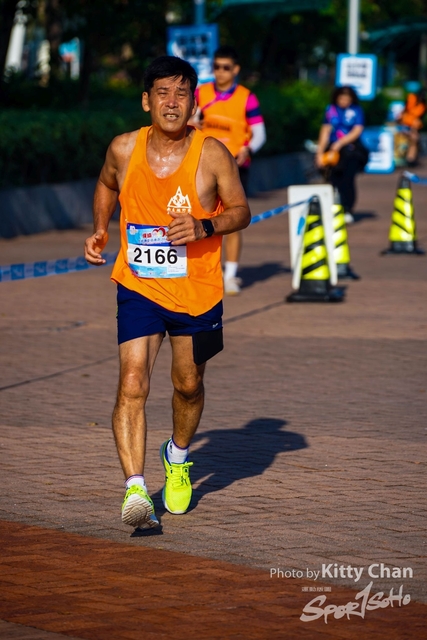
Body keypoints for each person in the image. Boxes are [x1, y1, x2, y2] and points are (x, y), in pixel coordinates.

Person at [84, 56, 250, 530]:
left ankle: (176, 456)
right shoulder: (124, 148)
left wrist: (203, 226)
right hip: (138, 284)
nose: (172, 102)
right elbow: (106, 183)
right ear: (146, 100)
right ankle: (136, 489)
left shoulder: (212, 154)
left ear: (194, 103)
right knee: (133, 381)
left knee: (188, 384)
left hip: (197, 290)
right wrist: (100, 228)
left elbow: (241, 211)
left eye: (181, 93)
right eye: (162, 92)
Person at [190, 45, 266, 295]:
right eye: (216, 67)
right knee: (199, 215)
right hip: (201, 162)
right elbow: (188, 119)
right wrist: (194, 122)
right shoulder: (200, 92)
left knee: (231, 219)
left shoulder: (247, 97)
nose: (220, 72)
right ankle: (201, 272)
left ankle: (230, 275)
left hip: (234, 165)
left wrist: (248, 149)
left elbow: (260, 134)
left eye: (225, 67)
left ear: (235, 69)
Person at [316, 86, 368, 224]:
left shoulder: (356, 110)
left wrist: (340, 143)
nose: (344, 101)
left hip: (351, 151)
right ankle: (334, 207)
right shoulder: (331, 110)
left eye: (347, 99)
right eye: (341, 98)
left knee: (348, 180)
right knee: (333, 179)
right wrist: (320, 152)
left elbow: (357, 130)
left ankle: (347, 209)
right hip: (333, 151)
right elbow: (325, 130)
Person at [398, 90, 426, 166]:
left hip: (411, 126)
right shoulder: (414, 100)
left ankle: (411, 158)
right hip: (408, 125)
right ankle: (410, 158)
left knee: (414, 140)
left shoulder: (420, 104)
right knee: (413, 141)